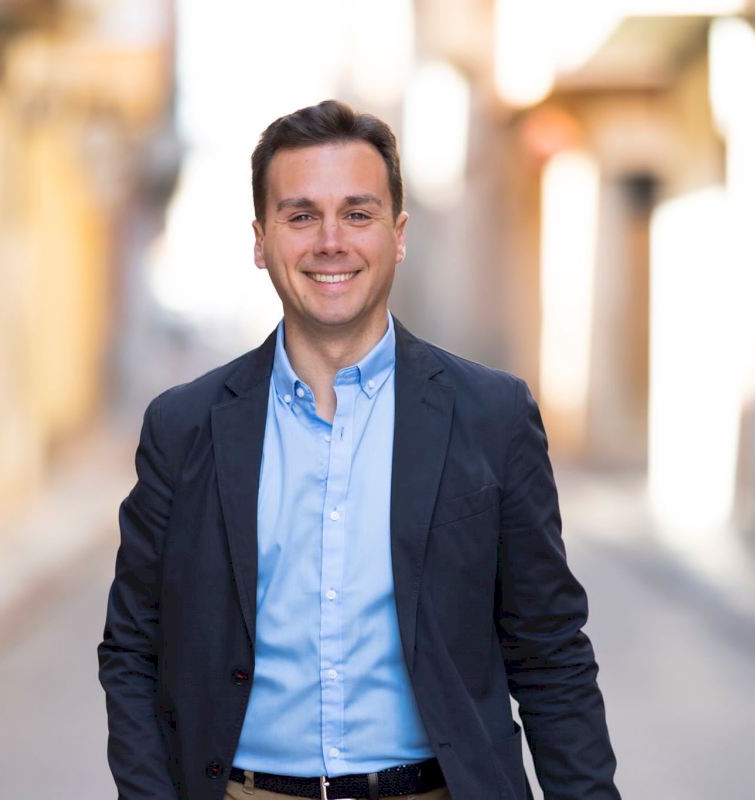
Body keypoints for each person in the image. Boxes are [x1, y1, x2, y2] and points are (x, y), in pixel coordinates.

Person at [98, 99, 620, 800]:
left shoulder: (491, 417)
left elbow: (551, 655)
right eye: (300, 215)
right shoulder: (183, 428)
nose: (330, 241)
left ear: (397, 235)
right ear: (260, 240)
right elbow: (132, 649)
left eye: (357, 213)